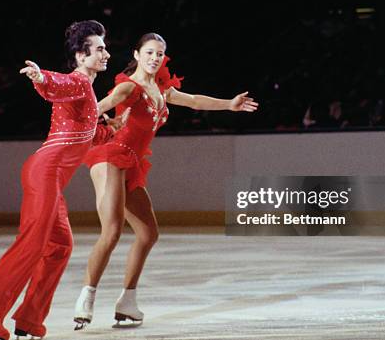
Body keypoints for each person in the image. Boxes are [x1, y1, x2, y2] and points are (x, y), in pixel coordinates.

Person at [73, 33, 258, 329]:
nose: (155, 58)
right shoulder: (127, 87)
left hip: (131, 163)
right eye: (149, 52)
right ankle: (86, 297)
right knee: (113, 230)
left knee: (148, 233)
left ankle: (127, 302)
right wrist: (103, 122)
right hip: (109, 158)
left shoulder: (160, 88)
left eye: (160, 53)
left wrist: (229, 104)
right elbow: (96, 107)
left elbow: (195, 100)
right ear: (136, 55)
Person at [0, 20, 125, 340]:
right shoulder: (77, 81)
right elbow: (56, 85)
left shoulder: (87, 90)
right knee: (32, 244)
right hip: (45, 171)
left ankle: (29, 322)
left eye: (105, 47)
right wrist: (41, 77)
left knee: (60, 246)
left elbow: (87, 134)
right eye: (99, 48)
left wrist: (112, 129)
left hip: (49, 175)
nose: (106, 53)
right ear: (80, 55)